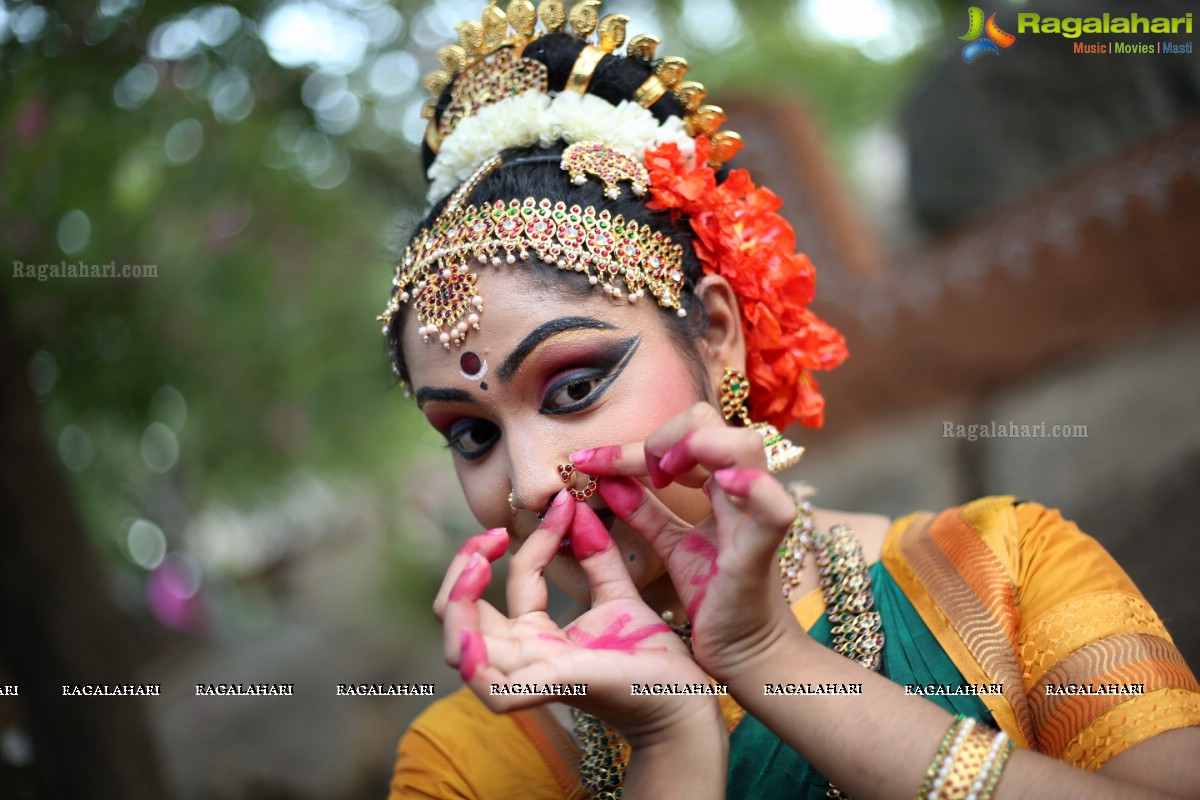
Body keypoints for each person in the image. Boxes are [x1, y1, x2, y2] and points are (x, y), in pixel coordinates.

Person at [380, 2, 1200, 797]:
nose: (529, 483)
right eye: (471, 435)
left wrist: (771, 655)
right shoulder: (465, 761)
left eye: (575, 386)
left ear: (717, 336)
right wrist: (671, 747)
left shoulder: (1007, 568)